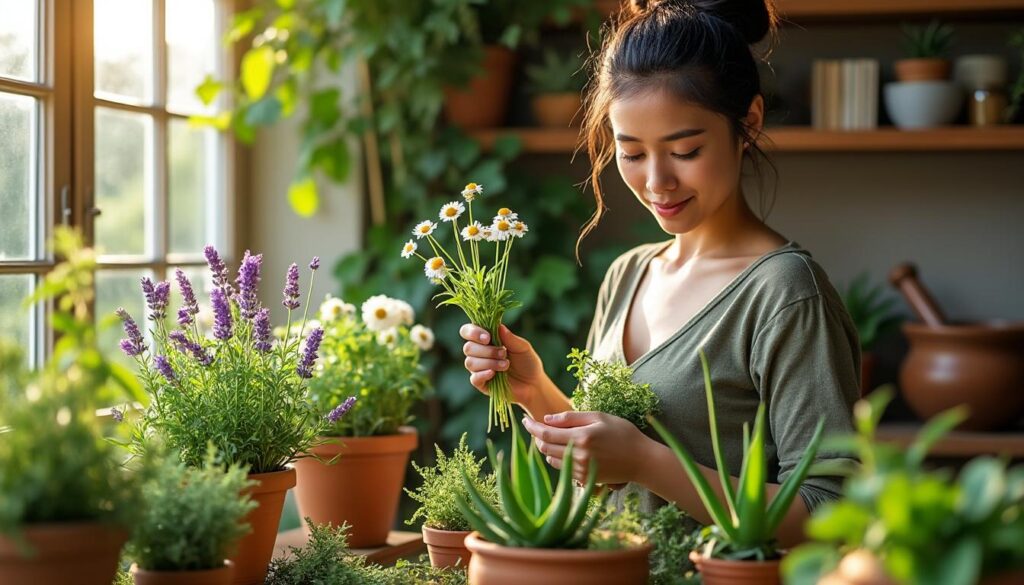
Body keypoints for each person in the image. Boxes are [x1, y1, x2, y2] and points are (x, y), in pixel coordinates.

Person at [459, 0, 859, 546]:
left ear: (750, 123)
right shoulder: (628, 274)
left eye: (685, 150)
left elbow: (830, 514)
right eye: (632, 154)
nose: (657, 182)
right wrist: (535, 391)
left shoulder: (785, 294)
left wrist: (651, 463)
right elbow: (606, 475)